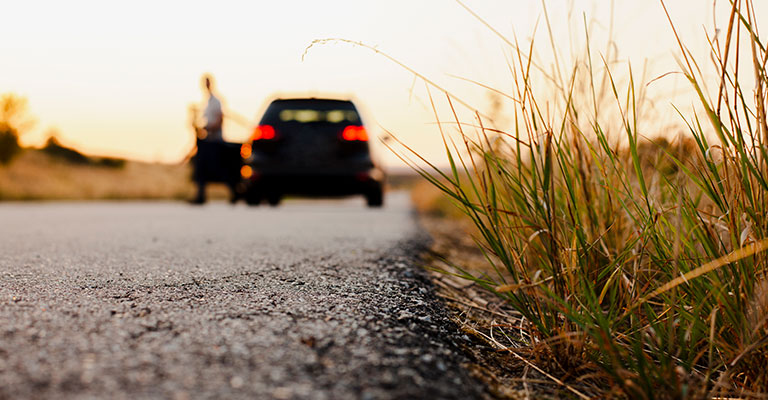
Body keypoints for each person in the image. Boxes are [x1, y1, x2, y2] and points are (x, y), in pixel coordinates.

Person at [189, 74, 228, 204]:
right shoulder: (206, 102)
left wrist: (208, 129)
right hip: (207, 139)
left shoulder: (216, 101)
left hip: (215, 140)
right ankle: (200, 195)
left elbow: (219, 120)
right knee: (201, 167)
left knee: (214, 167)